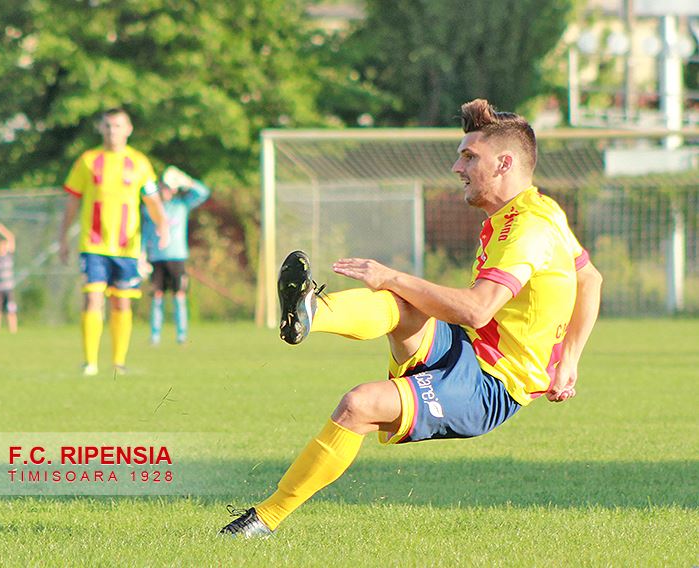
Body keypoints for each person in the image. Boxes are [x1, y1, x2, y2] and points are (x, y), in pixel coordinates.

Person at [220, 98, 603, 537]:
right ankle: (310, 312)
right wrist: (569, 360)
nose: (457, 167)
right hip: (469, 348)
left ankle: (263, 520)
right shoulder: (539, 209)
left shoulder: (528, 229)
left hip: (492, 385)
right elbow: (590, 278)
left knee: (358, 405)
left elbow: (477, 309)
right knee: (401, 305)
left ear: (504, 163)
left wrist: (393, 276)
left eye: (468, 157)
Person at [58, 108, 169, 377]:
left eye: (118, 126)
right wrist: (63, 237)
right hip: (93, 245)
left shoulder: (139, 163)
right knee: (92, 298)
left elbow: (152, 200)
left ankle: (118, 363)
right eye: (107, 126)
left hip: (126, 246)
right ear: (100, 129)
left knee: (121, 303)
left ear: (128, 129)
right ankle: (90, 363)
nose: (112, 131)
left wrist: (163, 225)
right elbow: (72, 201)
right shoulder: (88, 160)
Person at [141, 166, 210, 345]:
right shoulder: (150, 209)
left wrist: (187, 181)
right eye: (163, 187)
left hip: (177, 257)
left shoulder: (181, 205)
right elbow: (145, 234)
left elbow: (203, 193)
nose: (166, 191)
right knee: (157, 297)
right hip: (156, 258)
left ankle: (181, 336)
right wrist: (142, 255)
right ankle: (155, 336)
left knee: (179, 296)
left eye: (169, 188)